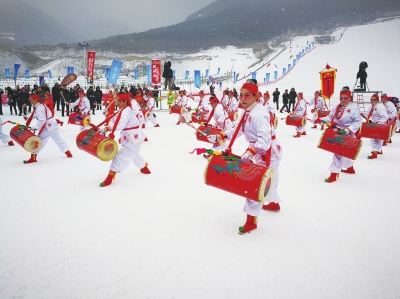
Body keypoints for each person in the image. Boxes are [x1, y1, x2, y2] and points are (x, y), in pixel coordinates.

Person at [210, 81, 283, 234]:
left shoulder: (260, 113)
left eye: (247, 95)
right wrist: (222, 135)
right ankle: (275, 203)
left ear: (255, 96)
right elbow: (238, 129)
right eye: (241, 95)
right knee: (270, 181)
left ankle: (251, 220)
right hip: (260, 150)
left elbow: (265, 140)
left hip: (270, 152)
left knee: (256, 183)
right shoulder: (247, 111)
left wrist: (250, 152)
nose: (242, 98)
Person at [98, 93, 151, 187]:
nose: (117, 102)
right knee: (134, 154)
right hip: (133, 137)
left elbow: (120, 125)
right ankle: (144, 168)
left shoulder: (126, 111)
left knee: (120, 156)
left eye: (119, 100)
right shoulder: (124, 109)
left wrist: (107, 128)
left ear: (125, 101)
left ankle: (110, 176)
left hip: (133, 137)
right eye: (117, 100)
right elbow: (117, 119)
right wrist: (108, 115)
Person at [319, 87, 362, 182]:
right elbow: (330, 117)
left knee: (338, 152)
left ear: (350, 98)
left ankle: (334, 174)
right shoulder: (337, 106)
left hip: (347, 132)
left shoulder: (354, 108)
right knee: (342, 152)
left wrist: (347, 129)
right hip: (337, 130)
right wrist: (321, 119)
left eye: (345, 98)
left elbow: (358, 122)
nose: (343, 100)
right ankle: (350, 168)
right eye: (341, 98)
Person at [22, 94, 72, 164]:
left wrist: (34, 128)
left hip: (48, 126)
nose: (30, 101)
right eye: (30, 99)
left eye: (31, 99)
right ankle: (67, 152)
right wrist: (27, 117)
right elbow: (35, 115)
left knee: (39, 141)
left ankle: (33, 157)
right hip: (53, 124)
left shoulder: (40, 107)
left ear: (36, 99)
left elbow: (42, 120)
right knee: (58, 139)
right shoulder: (39, 106)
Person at [363, 94, 388, 159]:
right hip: (372, 124)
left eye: (374, 99)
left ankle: (375, 153)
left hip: (378, 125)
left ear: (377, 100)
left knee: (376, 139)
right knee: (374, 138)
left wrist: (379, 124)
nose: (372, 101)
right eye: (371, 99)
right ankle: (378, 150)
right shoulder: (372, 106)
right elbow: (366, 114)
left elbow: (384, 116)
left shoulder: (380, 107)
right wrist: (362, 115)